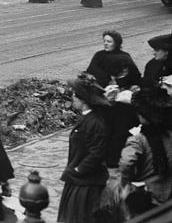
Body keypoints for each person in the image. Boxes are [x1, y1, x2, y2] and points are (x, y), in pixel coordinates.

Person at [57, 72, 110, 223]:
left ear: (83, 99)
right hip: (79, 179)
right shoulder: (87, 117)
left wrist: (79, 169)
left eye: (75, 94)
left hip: (86, 184)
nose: (72, 97)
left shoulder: (95, 122)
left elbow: (96, 153)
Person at [86, 30, 143, 167]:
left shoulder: (125, 57)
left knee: (119, 130)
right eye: (104, 40)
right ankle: (101, 157)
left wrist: (126, 87)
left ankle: (114, 159)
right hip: (103, 99)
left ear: (117, 43)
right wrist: (105, 84)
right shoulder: (99, 56)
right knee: (103, 129)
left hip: (121, 101)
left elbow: (134, 76)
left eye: (109, 41)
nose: (106, 43)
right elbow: (91, 73)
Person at [116, 87, 172, 217]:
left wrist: (125, 183)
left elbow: (126, 163)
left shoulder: (138, 140)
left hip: (147, 196)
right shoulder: (169, 134)